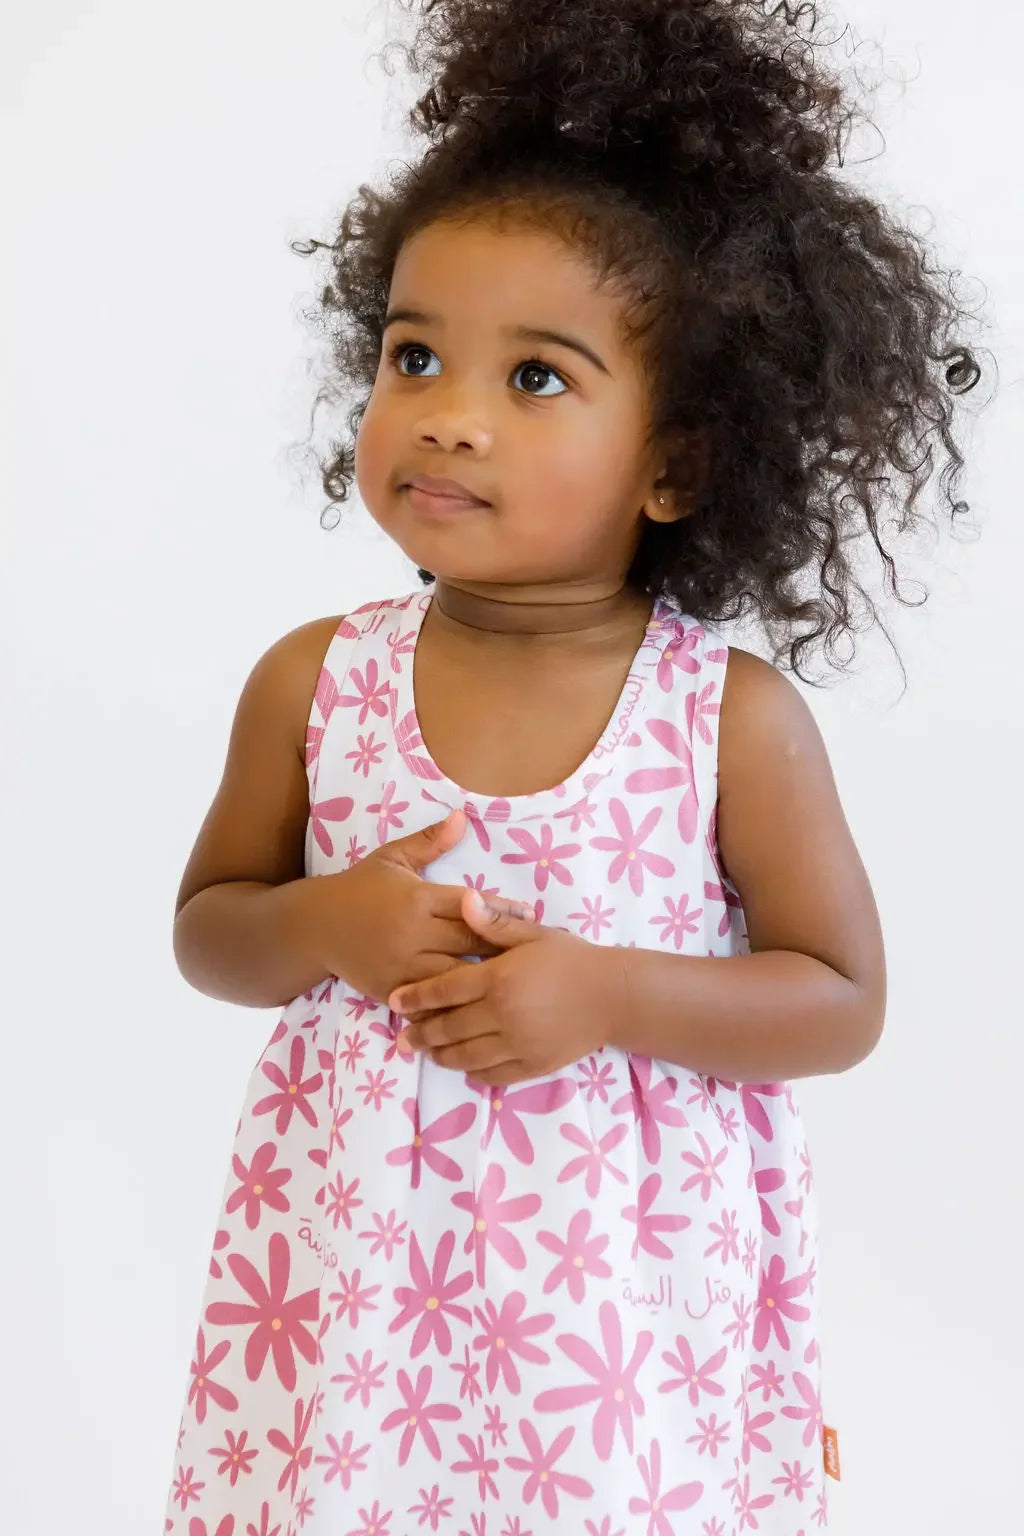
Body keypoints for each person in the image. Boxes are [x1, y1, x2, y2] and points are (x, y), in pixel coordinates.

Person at [163, 1, 989, 1531]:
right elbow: (213, 924)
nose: (451, 419)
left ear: (678, 458)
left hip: (622, 1313)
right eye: (416, 356)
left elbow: (841, 1000)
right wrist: (321, 923)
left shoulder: (723, 719)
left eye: (535, 379)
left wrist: (606, 991)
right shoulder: (315, 682)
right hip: (361, 1297)